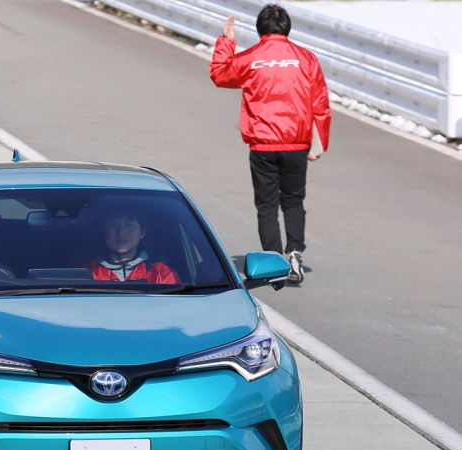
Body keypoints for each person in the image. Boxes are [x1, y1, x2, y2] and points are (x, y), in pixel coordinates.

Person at [209, 4, 331, 284]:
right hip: (296, 144)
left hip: (262, 145)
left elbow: (220, 75)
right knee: (293, 201)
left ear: (260, 29)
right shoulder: (307, 59)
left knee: (266, 206)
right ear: (287, 27)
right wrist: (319, 144)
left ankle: (275, 263)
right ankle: (295, 250)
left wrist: (226, 41)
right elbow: (320, 103)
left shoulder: (251, 58)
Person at [82, 206, 180, 284]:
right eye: (113, 225)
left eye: (129, 225)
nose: (121, 232)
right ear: (104, 232)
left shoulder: (162, 274)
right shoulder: (86, 273)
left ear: (142, 232)